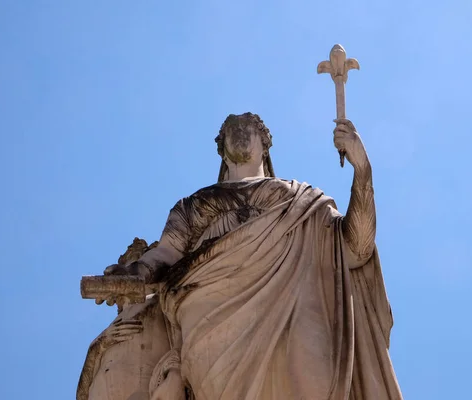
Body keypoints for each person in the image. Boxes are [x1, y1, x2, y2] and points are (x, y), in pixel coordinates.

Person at [104, 112, 402, 400]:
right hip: (213, 318)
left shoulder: (301, 203)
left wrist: (362, 171)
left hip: (299, 308)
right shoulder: (194, 206)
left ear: (265, 144)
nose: (240, 129)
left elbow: (357, 248)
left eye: (250, 125)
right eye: (232, 127)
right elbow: (166, 253)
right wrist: (134, 273)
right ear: (221, 149)